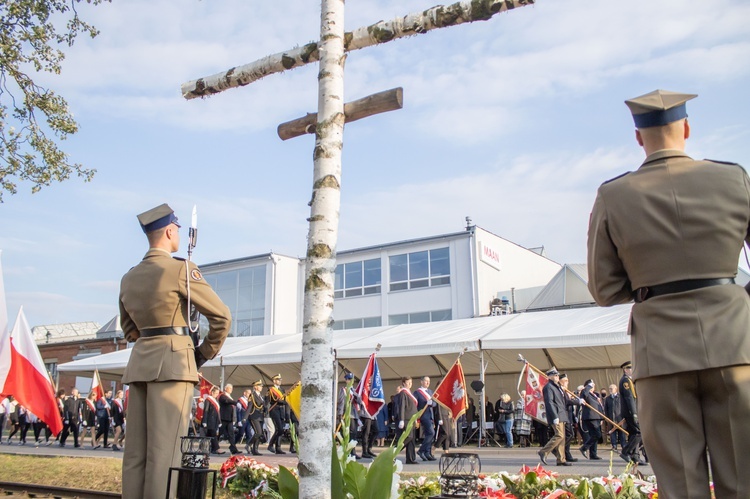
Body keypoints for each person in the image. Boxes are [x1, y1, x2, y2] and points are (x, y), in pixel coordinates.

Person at [587, 89, 750, 499]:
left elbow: (604, 289)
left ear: (639, 138)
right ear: (687, 129)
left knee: (681, 485)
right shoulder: (734, 177)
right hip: (735, 342)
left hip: (660, 351)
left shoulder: (614, 195)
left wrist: (649, 286)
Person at [119, 203, 231, 499]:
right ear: (169, 231)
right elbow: (222, 317)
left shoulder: (128, 278)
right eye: (177, 228)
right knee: (165, 454)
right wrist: (200, 354)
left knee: (135, 456)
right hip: (174, 365)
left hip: (140, 363)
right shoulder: (181, 269)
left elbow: (129, 329)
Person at [537, 368, 580, 467]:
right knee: (559, 435)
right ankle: (544, 451)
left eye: (557, 375)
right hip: (556, 415)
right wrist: (554, 416)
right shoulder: (548, 387)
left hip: (562, 414)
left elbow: (566, 401)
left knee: (562, 438)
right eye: (554, 375)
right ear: (549, 376)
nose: (557, 377)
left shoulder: (558, 387)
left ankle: (561, 459)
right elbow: (549, 402)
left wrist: (578, 401)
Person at [618, 361, 645, 465]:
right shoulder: (625, 381)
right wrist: (634, 413)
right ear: (625, 370)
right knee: (639, 432)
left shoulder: (630, 380)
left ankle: (635, 457)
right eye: (630, 368)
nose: (632, 370)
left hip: (632, 410)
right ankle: (626, 451)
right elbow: (629, 398)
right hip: (630, 411)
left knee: (634, 433)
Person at [578, 380, 603, 460]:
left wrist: (601, 417)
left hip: (597, 417)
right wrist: (588, 387)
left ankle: (593, 454)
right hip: (590, 417)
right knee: (597, 435)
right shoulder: (586, 393)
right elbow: (583, 395)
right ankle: (584, 448)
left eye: (593, 385)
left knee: (594, 436)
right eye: (591, 385)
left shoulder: (595, 395)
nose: (593, 387)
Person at [395, 376, 418, 464]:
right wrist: (401, 419)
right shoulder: (403, 393)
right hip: (406, 418)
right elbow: (402, 407)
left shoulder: (409, 392)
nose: (410, 384)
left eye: (411, 382)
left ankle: (410, 458)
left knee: (411, 440)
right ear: (404, 383)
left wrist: (415, 418)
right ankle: (394, 451)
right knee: (408, 437)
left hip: (411, 418)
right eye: (408, 382)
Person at [414, 376, 437, 461]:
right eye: (426, 381)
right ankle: (421, 450)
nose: (428, 383)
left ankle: (427, 452)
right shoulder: (417, 392)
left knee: (429, 434)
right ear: (421, 382)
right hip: (423, 415)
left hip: (431, 415)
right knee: (431, 433)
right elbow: (415, 405)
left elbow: (435, 403)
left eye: (429, 381)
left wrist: (432, 403)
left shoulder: (430, 392)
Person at [558, 374, 578, 463]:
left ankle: (566, 453)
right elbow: (566, 402)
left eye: (567, 380)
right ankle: (563, 452)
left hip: (569, 416)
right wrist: (577, 402)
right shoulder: (560, 390)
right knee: (568, 435)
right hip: (564, 416)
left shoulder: (565, 391)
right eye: (565, 380)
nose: (567, 382)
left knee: (569, 435)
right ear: (560, 381)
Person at [267, 374, 288, 454]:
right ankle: (270, 444)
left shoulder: (282, 390)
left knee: (280, 430)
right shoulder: (271, 390)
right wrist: (284, 402)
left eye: (280, 380)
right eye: (278, 380)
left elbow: (285, 399)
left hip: (281, 410)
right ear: (274, 381)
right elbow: (276, 400)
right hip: (274, 410)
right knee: (279, 429)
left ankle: (278, 448)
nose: (280, 381)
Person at [219, 384, 240, 455]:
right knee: (219, 433)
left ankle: (233, 448)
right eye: (230, 388)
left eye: (232, 388)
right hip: (223, 418)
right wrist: (236, 402)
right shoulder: (222, 396)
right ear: (226, 388)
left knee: (231, 434)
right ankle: (213, 446)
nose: (231, 389)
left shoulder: (229, 396)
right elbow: (227, 401)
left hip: (229, 418)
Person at [201, 386, 223, 455]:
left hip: (215, 420)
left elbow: (218, 412)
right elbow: (206, 411)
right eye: (216, 393)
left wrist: (219, 421)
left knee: (209, 435)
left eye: (218, 393)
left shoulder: (216, 400)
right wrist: (204, 421)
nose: (217, 395)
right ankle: (217, 448)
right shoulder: (208, 400)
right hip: (209, 420)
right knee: (213, 434)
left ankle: (212, 449)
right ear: (212, 392)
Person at [604, 383, 626, 451]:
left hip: (620, 418)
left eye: (611, 388)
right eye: (609, 388)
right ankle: (614, 445)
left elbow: (624, 407)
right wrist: (607, 418)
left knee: (621, 433)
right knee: (612, 432)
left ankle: (624, 446)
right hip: (611, 418)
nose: (610, 390)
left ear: (616, 389)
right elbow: (606, 409)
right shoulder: (607, 399)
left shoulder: (620, 397)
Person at [246, 380, 265, 456]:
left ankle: (255, 450)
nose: (261, 387)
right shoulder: (252, 395)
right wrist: (245, 417)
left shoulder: (261, 396)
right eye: (260, 386)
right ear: (256, 387)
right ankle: (249, 444)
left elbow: (262, 405)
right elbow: (249, 407)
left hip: (260, 416)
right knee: (258, 432)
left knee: (259, 434)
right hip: (254, 416)